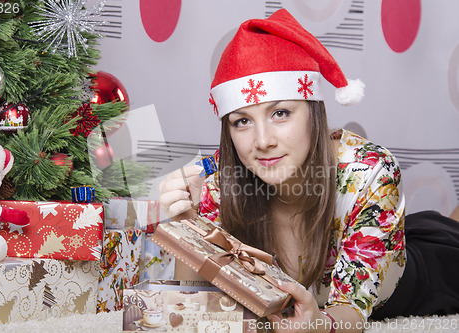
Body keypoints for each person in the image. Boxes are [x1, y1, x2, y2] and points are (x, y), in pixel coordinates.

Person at [159, 9, 459, 332]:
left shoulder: (370, 173)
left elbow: (350, 314)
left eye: (281, 113)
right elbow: (190, 304)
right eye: (242, 121)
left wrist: (319, 325)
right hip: (385, 225)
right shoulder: (218, 182)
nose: (262, 141)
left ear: (313, 112)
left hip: (429, 265)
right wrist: (187, 225)